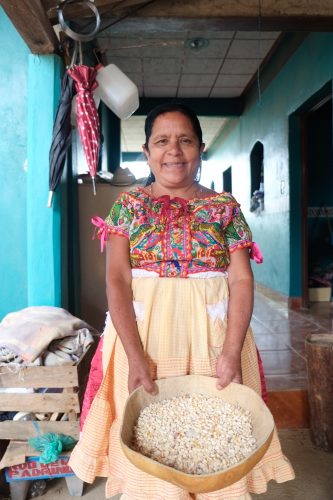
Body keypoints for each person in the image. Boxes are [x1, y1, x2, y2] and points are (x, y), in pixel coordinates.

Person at [69, 103, 294, 499]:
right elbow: (117, 280)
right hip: (144, 336)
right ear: (147, 151)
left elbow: (241, 279)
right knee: (151, 433)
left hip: (215, 334)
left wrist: (230, 351)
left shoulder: (224, 208)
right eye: (162, 141)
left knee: (216, 430)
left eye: (185, 140)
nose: (174, 151)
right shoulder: (129, 207)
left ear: (201, 148)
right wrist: (136, 357)